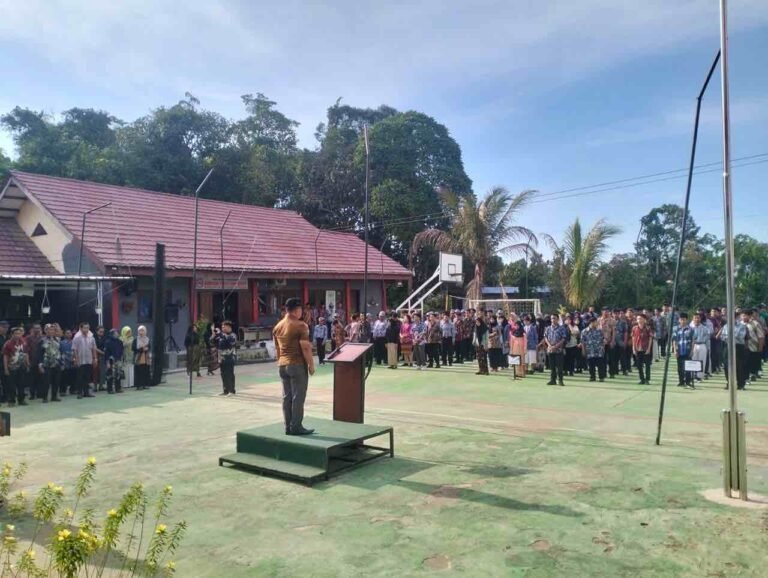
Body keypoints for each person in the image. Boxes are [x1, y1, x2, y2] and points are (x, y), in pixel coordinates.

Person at [273, 298, 315, 436]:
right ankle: (296, 426)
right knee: (298, 397)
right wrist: (311, 365)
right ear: (297, 310)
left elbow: (277, 349)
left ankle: (288, 426)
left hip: (282, 364)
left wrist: (281, 361)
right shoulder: (301, 325)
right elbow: (305, 347)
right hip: (296, 364)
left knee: (287, 397)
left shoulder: (278, 326)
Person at [720, 310, 748, 390]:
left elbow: (741, 336)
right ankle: (729, 383)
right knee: (726, 366)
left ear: (736, 317)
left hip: (738, 347)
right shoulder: (726, 326)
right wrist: (730, 337)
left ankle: (741, 384)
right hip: (727, 346)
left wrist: (729, 336)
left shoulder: (742, 326)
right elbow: (722, 336)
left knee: (739, 366)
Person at [3, 326, 29, 406]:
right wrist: (6, 369)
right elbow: (5, 357)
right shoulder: (8, 343)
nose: (18, 335)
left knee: (21, 384)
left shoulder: (23, 342)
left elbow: (26, 353)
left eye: (19, 333)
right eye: (16, 333)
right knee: (12, 385)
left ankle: (21, 400)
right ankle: (11, 401)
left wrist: (27, 364)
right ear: (12, 334)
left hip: (22, 366)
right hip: (12, 367)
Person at [37, 323, 62, 402]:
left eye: (52, 330)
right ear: (45, 331)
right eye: (48, 330)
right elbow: (39, 353)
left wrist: (61, 362)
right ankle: (44, 397)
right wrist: (40, 364)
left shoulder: (57, 339)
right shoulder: (42, 340)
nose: (51, 331)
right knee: (46, 382)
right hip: (46, 363)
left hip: (56, 362)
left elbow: (59, 351)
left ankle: (54, 396)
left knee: (56, 381)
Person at [72, 322, 97, 399]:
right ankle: (80, 393)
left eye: (88, 328)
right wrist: (76, 359)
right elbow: (74, 349)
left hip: (89, 360)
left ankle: (86, 392)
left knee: (87, 377)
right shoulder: (77, 337)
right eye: (85, 328)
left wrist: (95, 358)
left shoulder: (91, 337)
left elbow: (94, 349)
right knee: (80, 377)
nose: (86, 329)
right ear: (81, 328)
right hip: (80, 360)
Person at [213, 320, 237, 396]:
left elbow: (229, 343)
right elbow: (214, 343)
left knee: (229, 373)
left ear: (229, 327)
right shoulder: (221, 336)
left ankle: (232, 390)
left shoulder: (233, 335)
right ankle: (225, 390)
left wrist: (221, 334)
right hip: (222, 357)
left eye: (224, 327)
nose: (223, 328)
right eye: (222, 327)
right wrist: (214, 335)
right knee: (223, 374)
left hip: (229, 357)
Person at [581, 315, 606, 382]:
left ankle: (601, 377)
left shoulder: (599, 331)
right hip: (590, 351)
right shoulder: (584, 331)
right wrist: (583, 350)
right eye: (596, 322)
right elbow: (583, 342)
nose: (597, 323)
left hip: (599, 350)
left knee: (600, 364)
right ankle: (592, 377)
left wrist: (603, 347)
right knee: (591, 365)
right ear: (591, 322)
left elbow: (603, 340)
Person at [544, 314, 567, 386]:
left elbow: (563, 339)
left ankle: (560, 380)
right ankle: (552, 380)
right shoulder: (548, 328)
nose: (553, 320)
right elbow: (545, 337)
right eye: (552, 318)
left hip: (558, 350)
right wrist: (550, 345)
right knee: (552, 366)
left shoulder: (562, 328)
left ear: (557, 319)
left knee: (559, 366)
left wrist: (556, 346)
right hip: (550, 350)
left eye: (554, 318)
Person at [673, 312, 694, 389]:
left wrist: (692, 351)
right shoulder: (675, 329)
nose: (682, 321)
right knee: (680, 368)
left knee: (688, 367)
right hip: (679, 350)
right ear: (679, 320)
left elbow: (693, 341)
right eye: (681, 319)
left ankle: (688, 382)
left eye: (684, 320)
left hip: (687, 350)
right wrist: (675, 351)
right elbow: (674, 341)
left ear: (687, 320)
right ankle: (681, 381)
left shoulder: (691, 329)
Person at [632, 314, 653, 385]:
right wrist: (633, 348)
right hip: (638, 349)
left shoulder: (648, 328)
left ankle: (647, 379)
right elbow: (633, 338)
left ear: (644, 320)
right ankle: (642, 379)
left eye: (641, 318)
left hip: (646, 348)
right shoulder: (634, 328)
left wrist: (649, 349)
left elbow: (650, 338)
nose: (639, 320)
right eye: (638, 319)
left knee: (647, 365)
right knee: (639, 365)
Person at [690, 313, 710, 382]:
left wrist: (708, 348)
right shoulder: (690, 328)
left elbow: (707, 339)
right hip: (694, 345)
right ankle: (693, 375)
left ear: (700, 319)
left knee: (702, 361)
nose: (696, 319)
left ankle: (699, 376)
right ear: (693, 319)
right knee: (693, 360)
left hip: (702, 345)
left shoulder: (705, 328)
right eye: (695, 318)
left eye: (698, 318)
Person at [104, 328, 124, 394]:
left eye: (117, 333)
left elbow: (121, 351)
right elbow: (106, 353)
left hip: (118, 360)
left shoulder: (120, 342)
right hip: (111, 360)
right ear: (112, 334)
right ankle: (110, 389)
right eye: (115, 333)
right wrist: (107, 362)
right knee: (110, 375)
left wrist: (121, 359)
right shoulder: (108, 342)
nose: (117, 334)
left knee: (118, 374)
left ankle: (118, 388)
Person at [132, 325, 151, 390]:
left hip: (146, 357)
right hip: (138, 357)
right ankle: (139, 385)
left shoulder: (147, 339)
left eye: (142, 330)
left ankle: (146, 384)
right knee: (139, 371)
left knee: (146, 371)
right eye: (140, 330)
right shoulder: (136, 339)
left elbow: (149, 347)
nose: (141, 332)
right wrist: (141, 349)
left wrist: (147, 349)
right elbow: (133, 348)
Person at [59, 329, 75, 396]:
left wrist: (74, 358)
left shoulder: (74, 342)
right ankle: (63, 391)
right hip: (64, 362)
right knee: (64, 377)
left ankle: (73, 390)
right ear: (64, 334)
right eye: (67, 333)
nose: (69, 334)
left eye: (70, 333)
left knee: (73, 376)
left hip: (72, 361)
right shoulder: (61, 343)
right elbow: (60, 352)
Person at [94, 325, 107, 391]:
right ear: (96, 331)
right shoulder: (93, 338)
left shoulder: (104, 338)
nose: (102, 333)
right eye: (100, 332)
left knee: (102, 371)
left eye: (103, 332)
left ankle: (101, 386)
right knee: (95, 371)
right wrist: (102, 352)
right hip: (95, 355)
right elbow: (94, 347)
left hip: (103, 356)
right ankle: (95, 387)